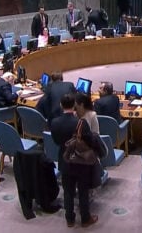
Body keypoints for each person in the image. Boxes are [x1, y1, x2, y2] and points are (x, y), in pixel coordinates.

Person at [50, 94, 100, 228]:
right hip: (81, 162)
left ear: (61, 105)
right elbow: (91, 141)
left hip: (64, 159)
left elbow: (55, 141)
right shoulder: (80, 123)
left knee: (68, 191)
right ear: (74, 106)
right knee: (83, 190)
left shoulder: (54, 122)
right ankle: (85, 218)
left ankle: (70, 219)